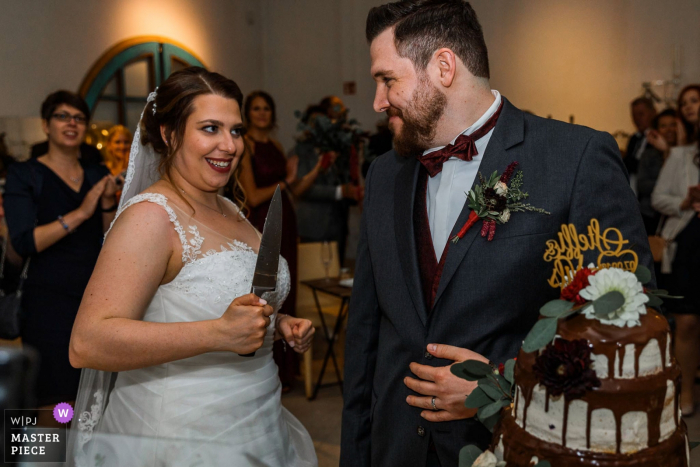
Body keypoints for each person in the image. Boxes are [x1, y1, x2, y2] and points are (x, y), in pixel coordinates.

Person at [340, 2, 654, 466]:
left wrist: (505, 386)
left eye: (388, 80)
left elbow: (626, 324)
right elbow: (365, 337)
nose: (378, 101)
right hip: (398, 448)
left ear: (443, 66)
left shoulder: (573, 159)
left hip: (512, 445)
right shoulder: (385, 174)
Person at [67, 67, 316, 467]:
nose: (229, 145)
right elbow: (87, 343)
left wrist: (277, 322)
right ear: (169, 134)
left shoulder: (229, 207)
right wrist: (219, 333)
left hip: (258, 423)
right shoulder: (151, 217)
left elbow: (209, 297)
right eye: (210, 128)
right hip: (180, 436)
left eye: (235, 131)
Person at [3, 91, 118, 421]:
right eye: (62, 116)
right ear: (46, 125)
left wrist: (108, 204)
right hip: (46, 302)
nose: (72, 123)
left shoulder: (97, 173)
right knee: (51, 398)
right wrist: (82, 212)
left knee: (91, 393)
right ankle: (40, 460)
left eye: (79, 118)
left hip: (94, 296)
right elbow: (25, 241)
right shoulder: (26, 174)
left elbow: (108, 238)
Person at [236, 90, 320, 391]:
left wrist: (312, 173)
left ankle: (288, 368)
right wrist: (286, 182)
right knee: (264, 289)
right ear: (248, 113)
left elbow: (291, 191)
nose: (261, 113)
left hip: (285, 221)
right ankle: (262, 365)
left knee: (287, 289)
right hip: (260, 223)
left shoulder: (275, 145)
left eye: (266, 108)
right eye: (256, 108)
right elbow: (256, 195)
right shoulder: (244, 146)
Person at [652, 117, 700, 417]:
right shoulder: (681, 155)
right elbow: (658, 198)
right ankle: (685, 393)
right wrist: (685, 201)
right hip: (689, 245)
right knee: (687, 322)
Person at [638, 108, 677, 235]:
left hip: (676, 213)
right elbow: (642, 184)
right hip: (650, 213)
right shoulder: (649, 154)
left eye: (673, 125)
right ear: (657, 131)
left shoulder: (686, 154)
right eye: (663, 126)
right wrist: (668, 187)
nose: (669, 130)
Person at [624, 97, 657, 194]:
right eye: (634, 115)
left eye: (641, 114)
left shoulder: (658, 138)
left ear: (653, 113)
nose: (637, 119)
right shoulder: (634, 138)